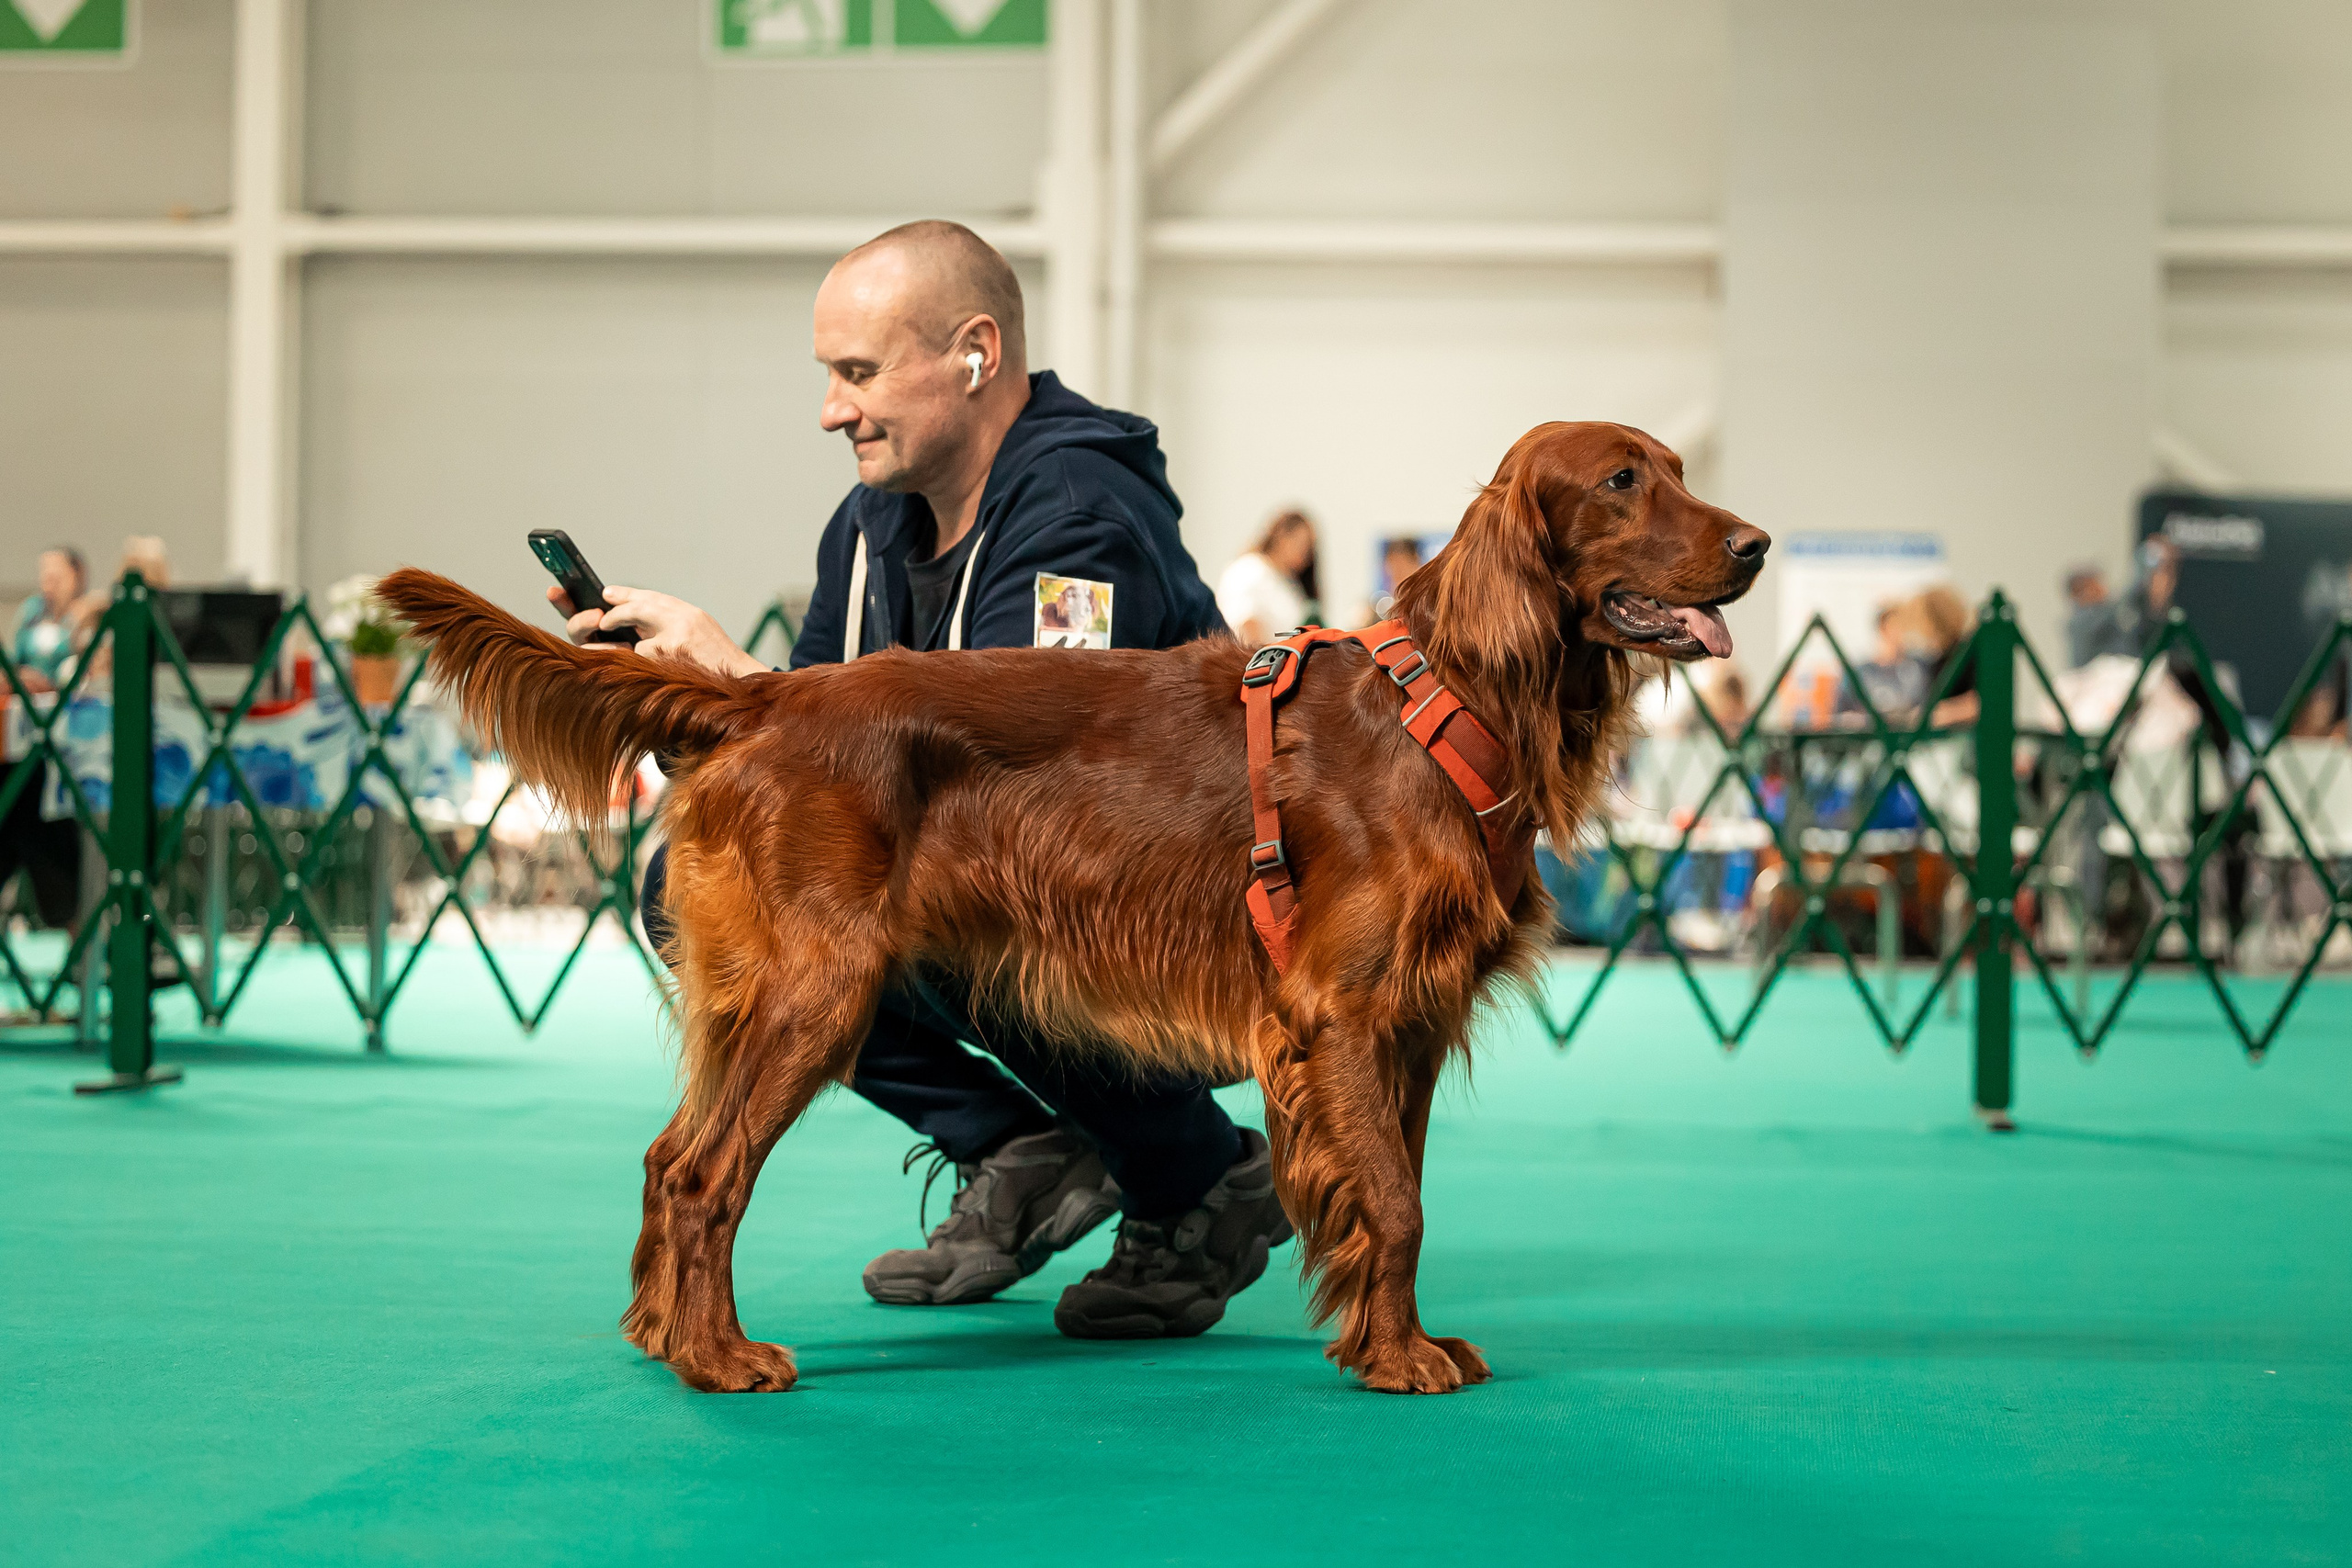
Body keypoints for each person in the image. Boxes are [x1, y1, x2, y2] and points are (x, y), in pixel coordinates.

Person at [549, 220, 1290, 1340]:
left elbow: (1024, 808)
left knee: (958, 898)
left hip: (1172, 938)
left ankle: (1199, 1181)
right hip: (1002, 887)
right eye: (829, 376)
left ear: (976, 355)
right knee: (697, 891)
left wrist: (734, 678)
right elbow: (809, 784)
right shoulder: (867, 524)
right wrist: (688, 709)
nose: (831, 410)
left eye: (858, 373)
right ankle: (1019, 1148)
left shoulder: (1079, 522)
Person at [2, 547, 90, 938]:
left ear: (77, 575)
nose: (47, 582)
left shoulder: (88, 616)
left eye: (56, 574)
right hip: (21, 748)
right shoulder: (30, 614)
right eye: (43, 574)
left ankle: (86, 956)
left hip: (69, 752)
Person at [1215, 508, 1317, 648]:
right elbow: (1245, 625)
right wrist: (1264, 663)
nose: (1305, 554)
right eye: (1301, 544)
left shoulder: (1290, 584)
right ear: (1282, 536)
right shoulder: (1250, 569)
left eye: (1309, 548)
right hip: (1259, 663)